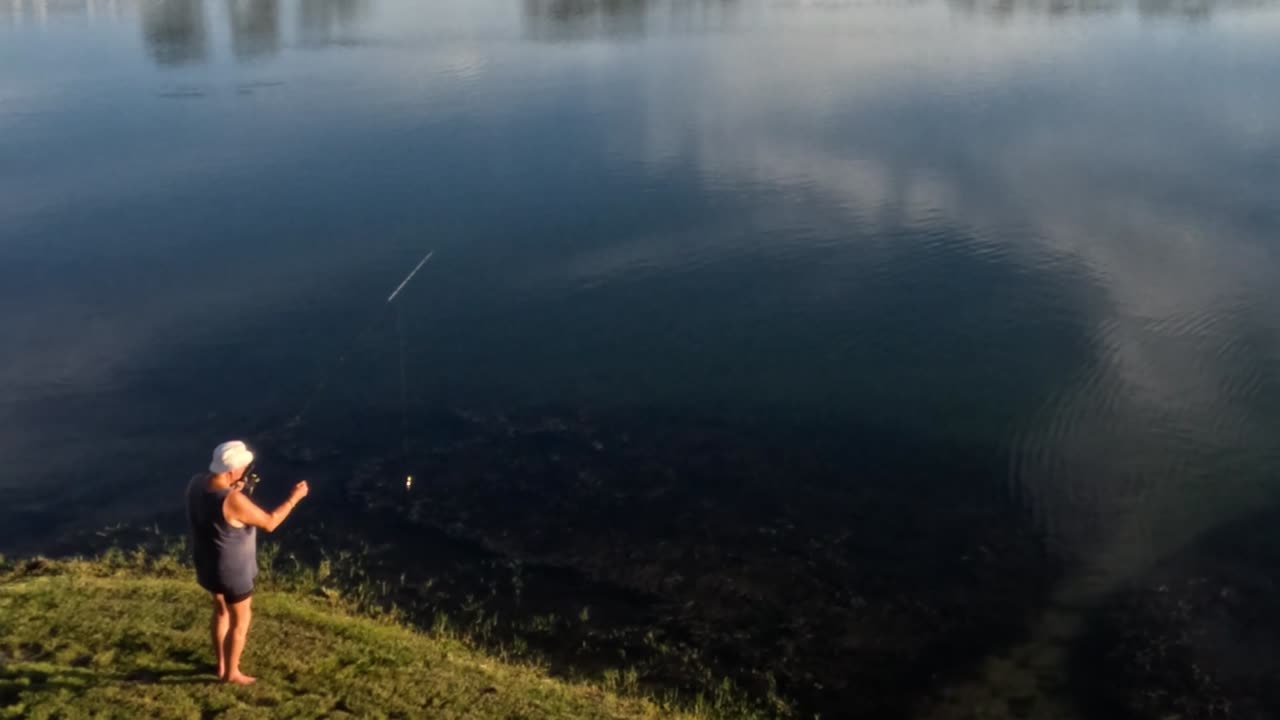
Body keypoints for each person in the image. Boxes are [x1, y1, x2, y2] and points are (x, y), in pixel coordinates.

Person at [185, 440, 309, 685]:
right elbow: (270, 522)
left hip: (207, 561)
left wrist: (235, 489)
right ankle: (232, 674)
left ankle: (221, 664)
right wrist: (295, 498)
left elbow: (217, 511)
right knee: (240, 622)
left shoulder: (196, 483)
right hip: (233, 570)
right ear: (232, 471)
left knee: (221, 612)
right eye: (243, 467)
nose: (245, 471)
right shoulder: (231, 500)